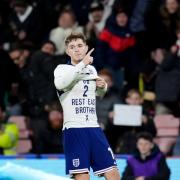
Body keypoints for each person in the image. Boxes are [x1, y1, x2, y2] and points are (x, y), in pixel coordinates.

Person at [54, 32, 120, 180]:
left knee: (113, 173)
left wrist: (103, 87)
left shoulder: (92, 70)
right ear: (67, 51)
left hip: (94, 127)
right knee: (83, 176)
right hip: (74, 129)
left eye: (79, 45)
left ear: (86, 48)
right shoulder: (61, 69)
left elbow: (98, 95)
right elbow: (60, 84)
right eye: (72, 47)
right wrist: (83, 63)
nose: (76, 49)